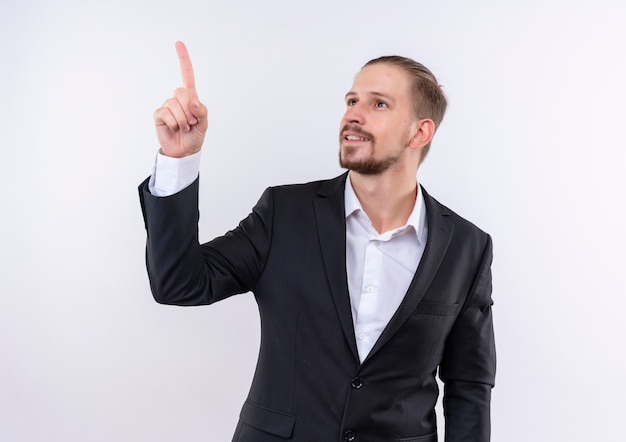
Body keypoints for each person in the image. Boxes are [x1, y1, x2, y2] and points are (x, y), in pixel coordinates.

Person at [139, 41, 496, 442]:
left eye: (378, 104)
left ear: (420, 131)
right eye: (352, 100)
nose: (353, 115)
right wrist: (177, 160)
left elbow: (469, 386)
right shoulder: (285, 213)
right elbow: (178, 283)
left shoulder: (467, 247)